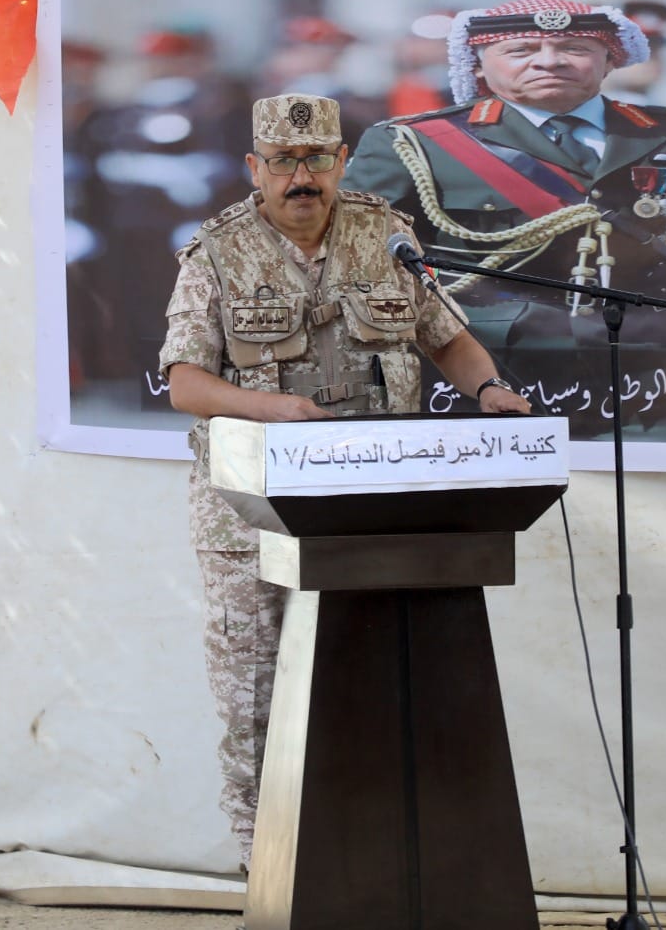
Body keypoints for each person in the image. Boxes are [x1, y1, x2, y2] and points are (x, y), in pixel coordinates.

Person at [159, 93, 529, 871]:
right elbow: (187, 384)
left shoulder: (387, 235)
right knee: (254, 700)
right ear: (255, 169)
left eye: (318, 160)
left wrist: (488, 390)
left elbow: (447, 338)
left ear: (341, 163)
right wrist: (272, 409)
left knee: (368, 690)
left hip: (371, 518)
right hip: (249, 519)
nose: (303, 177)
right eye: (285, 163)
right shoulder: (218, 252)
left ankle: (368, 867)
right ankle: (265, 872)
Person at [344, 0, 666, 431]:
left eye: (574, 49)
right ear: (478, 62)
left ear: (610, 60)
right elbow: (351, 266)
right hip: (487, 374)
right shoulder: (411, 144)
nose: (549, 61)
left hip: (659, 377)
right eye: (521, 49)